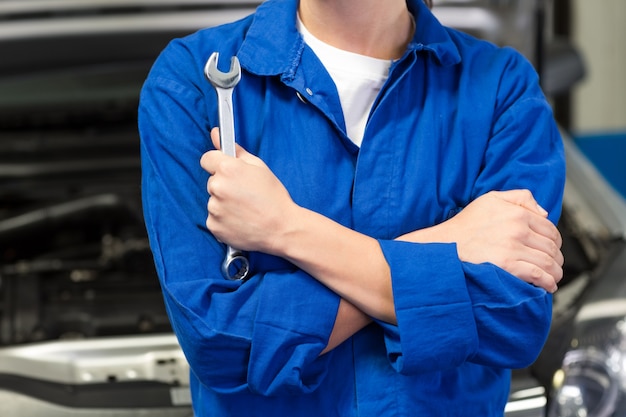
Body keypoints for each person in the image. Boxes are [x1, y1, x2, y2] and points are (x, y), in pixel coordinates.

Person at [138, 0, 565, 415]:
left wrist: (285, 227)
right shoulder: (190, 79)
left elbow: (513, 318)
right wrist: (449, 242)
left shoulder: (501, 87)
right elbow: (222, 341)